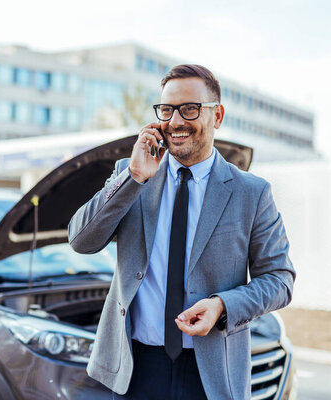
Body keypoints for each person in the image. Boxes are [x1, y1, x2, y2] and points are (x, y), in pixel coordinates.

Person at [68, 64, 295, 399]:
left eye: (190, 109)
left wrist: (222, 305)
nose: (175, 122)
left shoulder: (252, 193)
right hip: (135, 367)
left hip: (211, 372)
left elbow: (280, 279)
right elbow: (81, 240)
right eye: (166, 110)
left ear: (216, 116)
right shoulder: (131, 174)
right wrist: (133, 178)